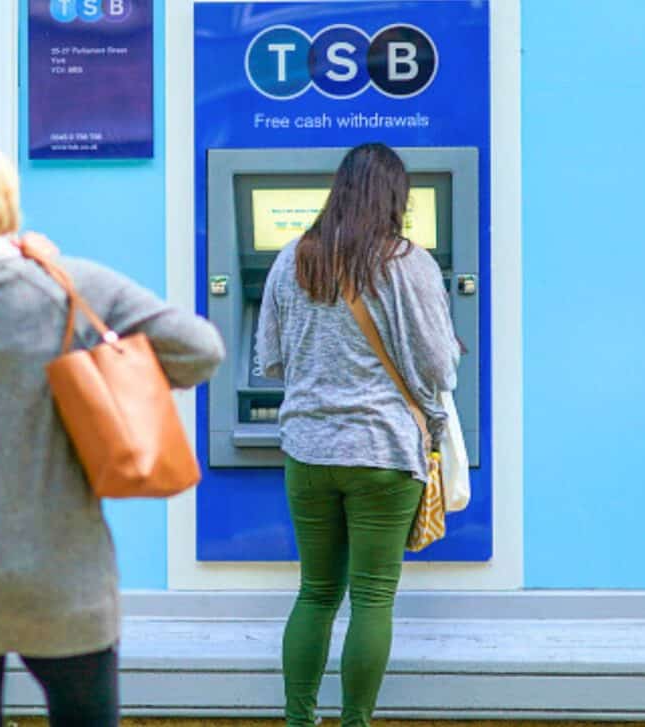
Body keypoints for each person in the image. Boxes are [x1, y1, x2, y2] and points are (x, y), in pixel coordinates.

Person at [0, 134, 225, 727]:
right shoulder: (66, 286)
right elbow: (201, 350)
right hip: (57, 570)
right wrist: (59, 277)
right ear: (5, 200)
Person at [256, 143, 460, 726]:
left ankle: (299, 721)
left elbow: (270, 359)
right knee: (372, 596)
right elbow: (440, 367)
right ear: (394, 198)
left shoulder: (293, 258)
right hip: (383, 452)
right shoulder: (406, 262)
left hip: (308, 452)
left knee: (316, 593)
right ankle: (355, 723)